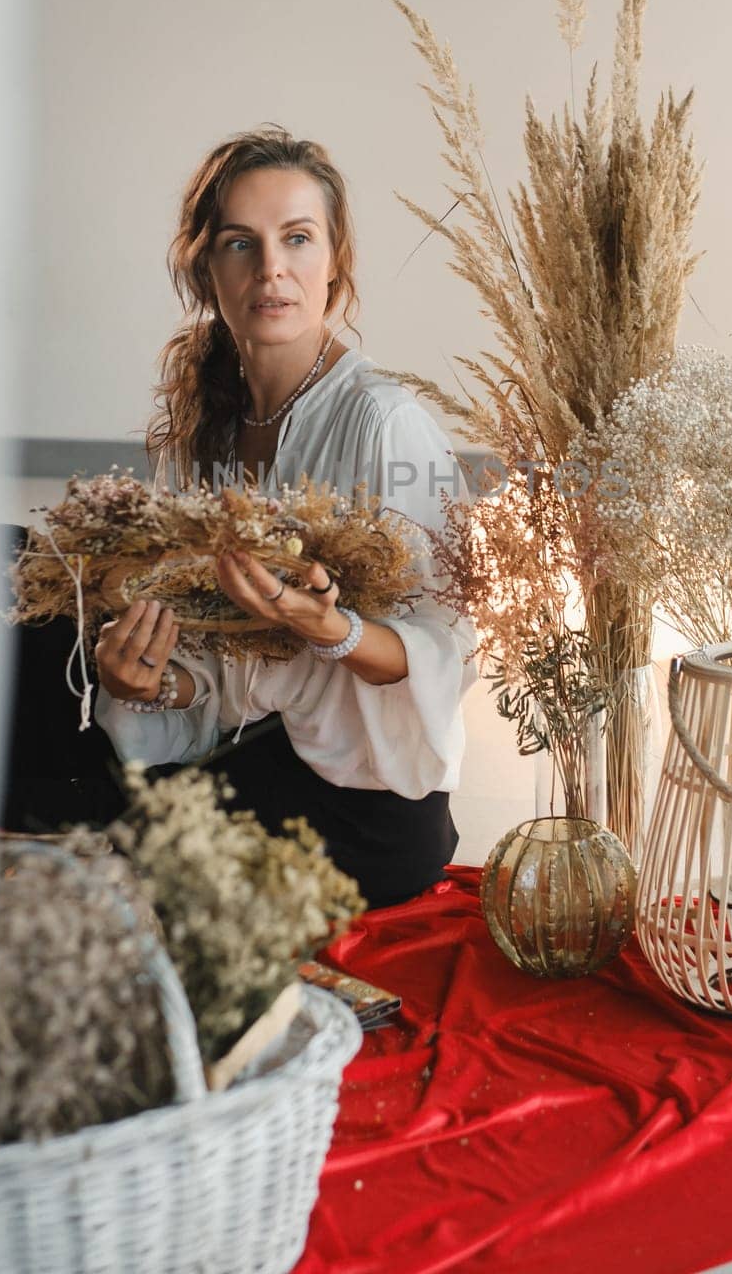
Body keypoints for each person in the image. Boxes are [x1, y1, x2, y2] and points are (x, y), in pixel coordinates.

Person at [92, 124, 479, 907]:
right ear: (207, 268)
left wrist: (324, 629)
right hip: (255, 761)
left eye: (297, 238)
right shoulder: (207, 430)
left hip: (368, 814)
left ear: (334, 261)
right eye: (241, 243)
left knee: (101, 843)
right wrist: (147, 685)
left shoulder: (383, 423)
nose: (272, 269)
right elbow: (210, 671)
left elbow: (451, 646)